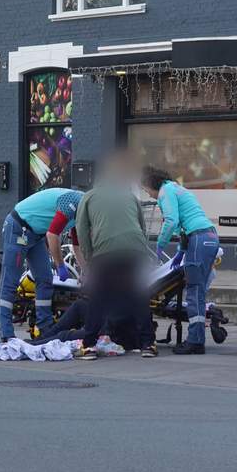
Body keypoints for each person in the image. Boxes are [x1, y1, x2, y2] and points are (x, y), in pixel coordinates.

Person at [74, 152, 155, 358]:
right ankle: (148, 345)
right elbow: (142, 227)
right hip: (134, 250)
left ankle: (89, 346)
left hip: (106, 251)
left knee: (98, 299)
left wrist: (90, 258)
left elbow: (81, 231)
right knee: (138, 296)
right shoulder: (130, 196)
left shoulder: (89, 196)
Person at [143, 166, 218, 355]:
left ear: (151, 184)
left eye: (145, 188)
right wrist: (180, 252)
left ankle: (195, 341)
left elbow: (171, 221)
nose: (146, 193)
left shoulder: (164, 192)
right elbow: (188, 221)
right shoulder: (176, 188)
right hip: (209, 237)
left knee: (193, 292)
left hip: (198, 239)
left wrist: (160, 244)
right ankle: (197, 339)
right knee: (198, 292)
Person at [0, 186, 82, 342]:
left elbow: (77, 245)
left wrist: (87, 271)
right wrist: (61, 265)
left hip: (35, 234)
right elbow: (52, 235)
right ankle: (6, 334)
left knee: (45, 279)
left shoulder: (83, 212)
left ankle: (45, 329)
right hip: (18, 228)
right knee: (10, 282)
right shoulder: (73, 202)